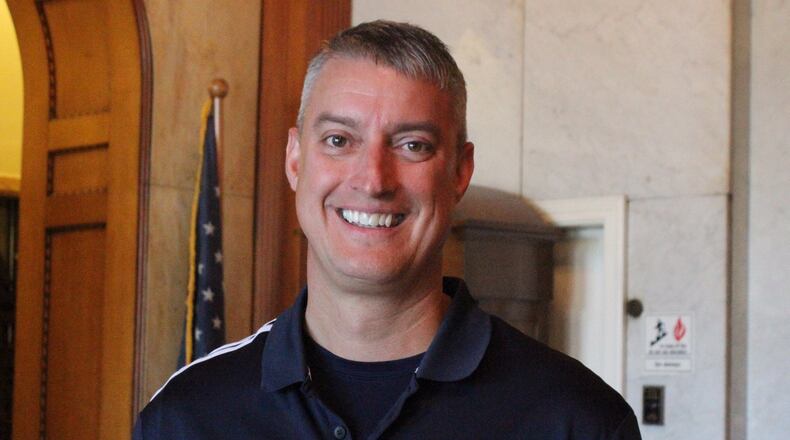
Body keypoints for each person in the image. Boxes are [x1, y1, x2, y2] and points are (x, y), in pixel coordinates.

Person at [134, 20, 641, 439]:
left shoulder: (577, 419)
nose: (373, 180)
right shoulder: (186, 418)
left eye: (412, 145)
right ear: (294, 159)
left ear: (460, 172)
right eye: (338, 140)